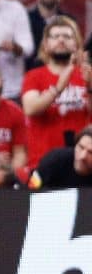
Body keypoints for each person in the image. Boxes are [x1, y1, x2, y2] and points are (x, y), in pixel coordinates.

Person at [21, 16, 92, 170]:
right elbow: (30, 108)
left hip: (82, 162)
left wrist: (89, 88)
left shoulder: (86, 75)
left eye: (67, 36)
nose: (61, 40)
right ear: (46, 44)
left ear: (76, 43)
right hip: (43, 162)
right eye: (55, 36)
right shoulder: (34, 76)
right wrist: (58, 88)